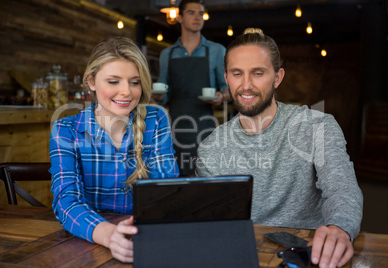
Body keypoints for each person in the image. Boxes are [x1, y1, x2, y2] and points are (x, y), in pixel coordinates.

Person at [196, 28, 363, 268]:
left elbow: (342, 188)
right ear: (226, 78)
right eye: (237, 74)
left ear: (277, 77)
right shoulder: (211, 147)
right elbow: (213, 221)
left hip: (310, 257)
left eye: (258, 73)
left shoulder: (316, 126)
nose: (246, 85)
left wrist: (339, 227)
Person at [49, 36, 179, 263]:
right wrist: (110, 236)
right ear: (91, 81)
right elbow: (66, 201)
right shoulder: (66, 129)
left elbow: (165, 191)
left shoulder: (156, 119)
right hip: (89, 244)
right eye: (113, 81)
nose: (126, 92)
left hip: (145, 239)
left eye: (134, 82)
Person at [154, 0, 230, 176]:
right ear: (179, 17)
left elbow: (228, 89)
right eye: (191, 13)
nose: (198, 17)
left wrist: (221, 97)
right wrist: (157, 96)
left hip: (204, 126)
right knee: (175, 176)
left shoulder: (217, 51)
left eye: (200, 13)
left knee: (205, 176)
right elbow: (164, 91)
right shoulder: (167, 54)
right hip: (174, 125)